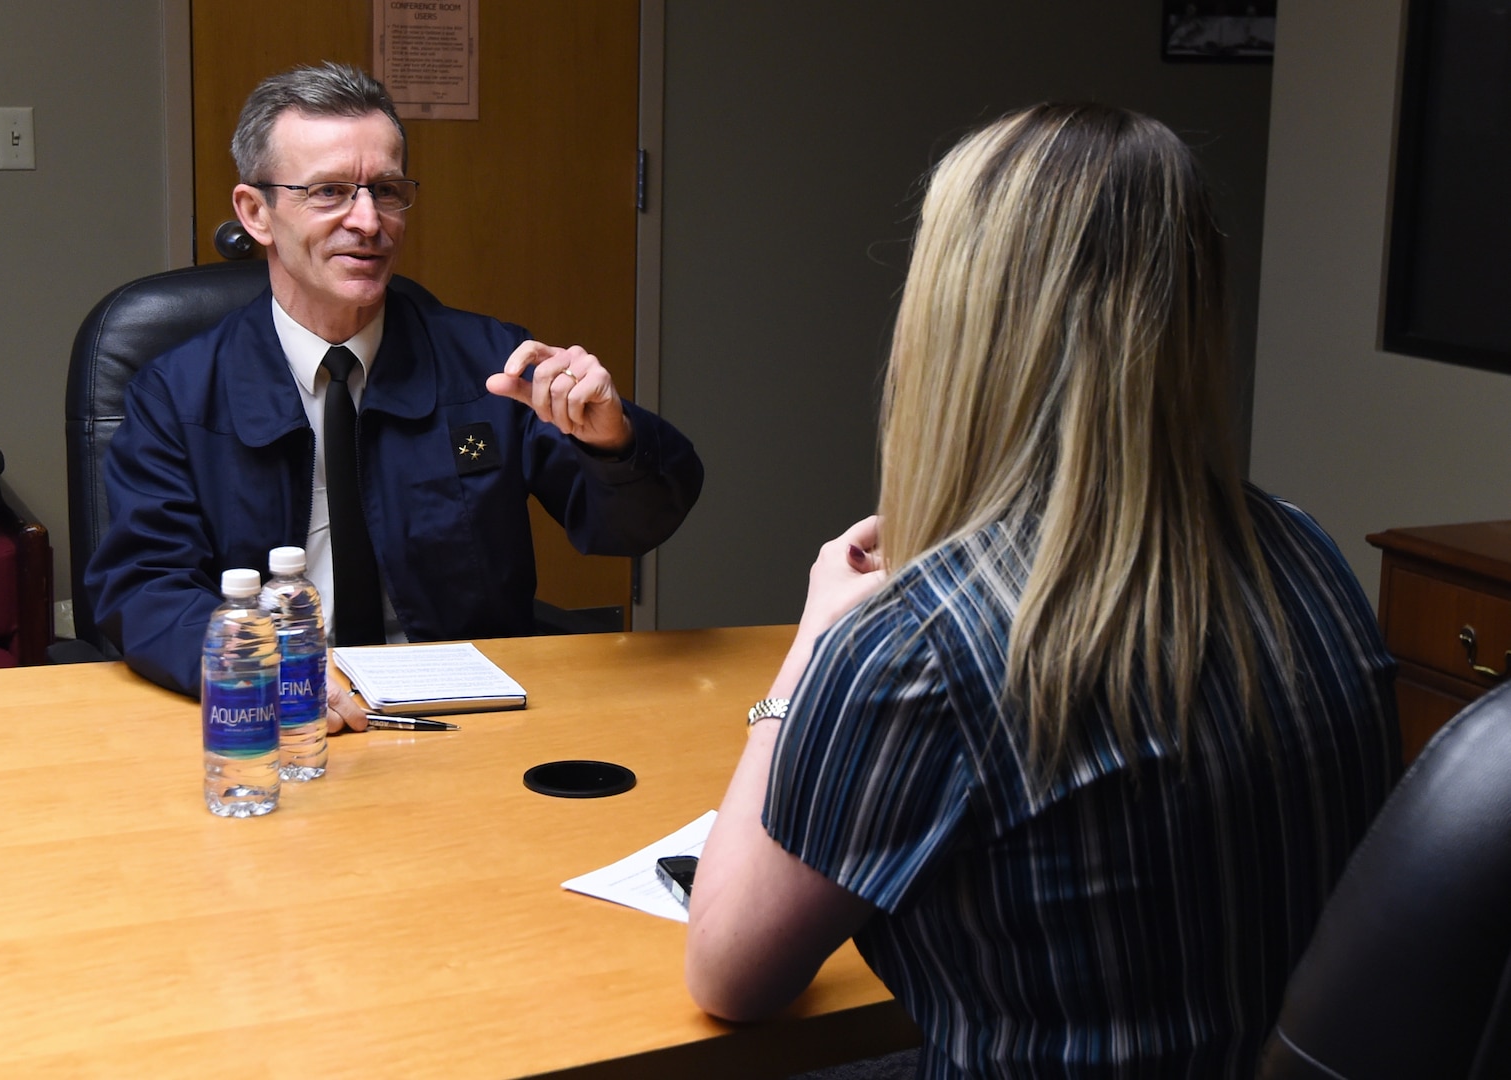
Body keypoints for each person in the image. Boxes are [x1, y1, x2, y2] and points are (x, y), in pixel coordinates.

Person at [685, 104, 1398, 1077]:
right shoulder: (1305, 555)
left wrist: (810, 648)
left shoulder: (921, 648)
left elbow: (727, 971)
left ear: (953, 318)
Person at [86, 63, 703, 729]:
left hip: (463, 721)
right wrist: (259, 671)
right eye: (327, 192)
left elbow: (630, 527)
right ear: (255, 213)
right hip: (274, 716)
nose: (367, 221)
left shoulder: (491, 366)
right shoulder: (177, 393)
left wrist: (611, 440)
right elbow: (144, 587)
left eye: (385, 190)